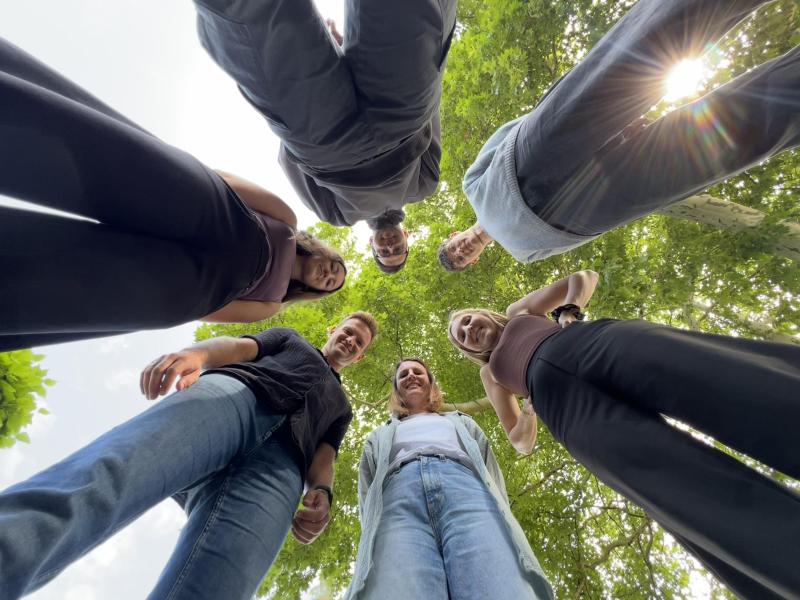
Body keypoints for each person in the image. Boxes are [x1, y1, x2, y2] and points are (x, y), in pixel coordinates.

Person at [447, 270, 800, 599]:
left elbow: (584, 277)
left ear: (481, 314)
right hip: (566, 411)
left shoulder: (519, 310)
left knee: (711, 375)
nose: (467, 330)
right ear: (469, 351)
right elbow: (519, 441)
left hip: (591, 344)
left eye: (466, 321)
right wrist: (528, 409)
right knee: (672, 485)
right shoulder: (492, 375)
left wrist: (569, 313)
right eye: (461, 337)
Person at [0, 311, 379, 600]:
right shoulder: (291, 339)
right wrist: (196, 354)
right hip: (232, 400)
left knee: (223, 580)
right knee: (112, 475)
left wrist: (323, 493)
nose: (350, 341)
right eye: (348, 332)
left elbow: (325, 455)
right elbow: (239, 347)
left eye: (358, 343)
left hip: (283, 469)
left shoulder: (342, 408)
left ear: (360, 357)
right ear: (333, 330)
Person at [0, 39, 347, 352]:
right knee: (92, 156)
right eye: (335, 267)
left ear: (316, 292)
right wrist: (184, 175)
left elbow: (212, 311)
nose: (328, 275)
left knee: (72, 282)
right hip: (209, 211)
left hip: (194, 284)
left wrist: (186, 295)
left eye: (331, 283)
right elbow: (228, 182)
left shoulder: (273, 305)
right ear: (323, 252)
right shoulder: (288, 220)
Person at [438, 0, 799, 270]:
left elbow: (505, 134)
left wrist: (560, 113)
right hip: (585, 211)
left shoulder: (471, 186)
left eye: (452, 249)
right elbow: (579, 242)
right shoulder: (525, 254)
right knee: (708, 149)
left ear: (454, 235)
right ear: (474, 262)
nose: (460, 252)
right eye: (460, 260)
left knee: (635, 60)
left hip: (528, 157)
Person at [192, 0, 457, 272]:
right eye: (398, 249)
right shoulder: (424, 186)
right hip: (402, 120)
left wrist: (303, 132)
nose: (390, 245)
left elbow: (289, 162)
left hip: (326, 144)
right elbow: (431, 119)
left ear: (371, 245)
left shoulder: (337, 215)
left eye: (384, 252)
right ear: (407, 237)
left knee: (258, 28)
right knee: (406, 13)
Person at [346, 358, 553, 600]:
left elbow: (489, 470)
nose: (411, 376)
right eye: (403, 375)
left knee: (497, 581)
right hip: (398, 501)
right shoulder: (379, 435)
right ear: (397, 391)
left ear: (431, 385)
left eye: (417, 372)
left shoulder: (462, 422)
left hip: (466, 492)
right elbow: (367, 489)